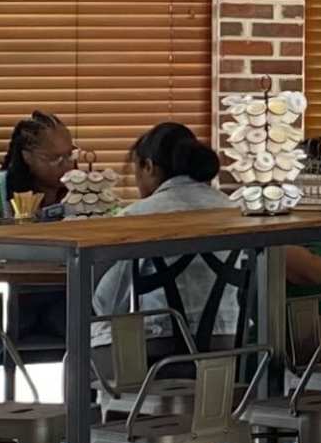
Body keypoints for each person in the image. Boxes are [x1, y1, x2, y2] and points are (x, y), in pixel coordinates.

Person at [92, 121, 238, 336]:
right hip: (229, 343)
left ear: (148, 167)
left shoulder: (139, 217)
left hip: (159, 344)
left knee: (80, 348)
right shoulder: (234, 210)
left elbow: (108, 303)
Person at [0, 111, 74, 230]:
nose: (67, 164)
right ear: (27, 156)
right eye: (53, 158)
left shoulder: (82, 189)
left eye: (70, 154)